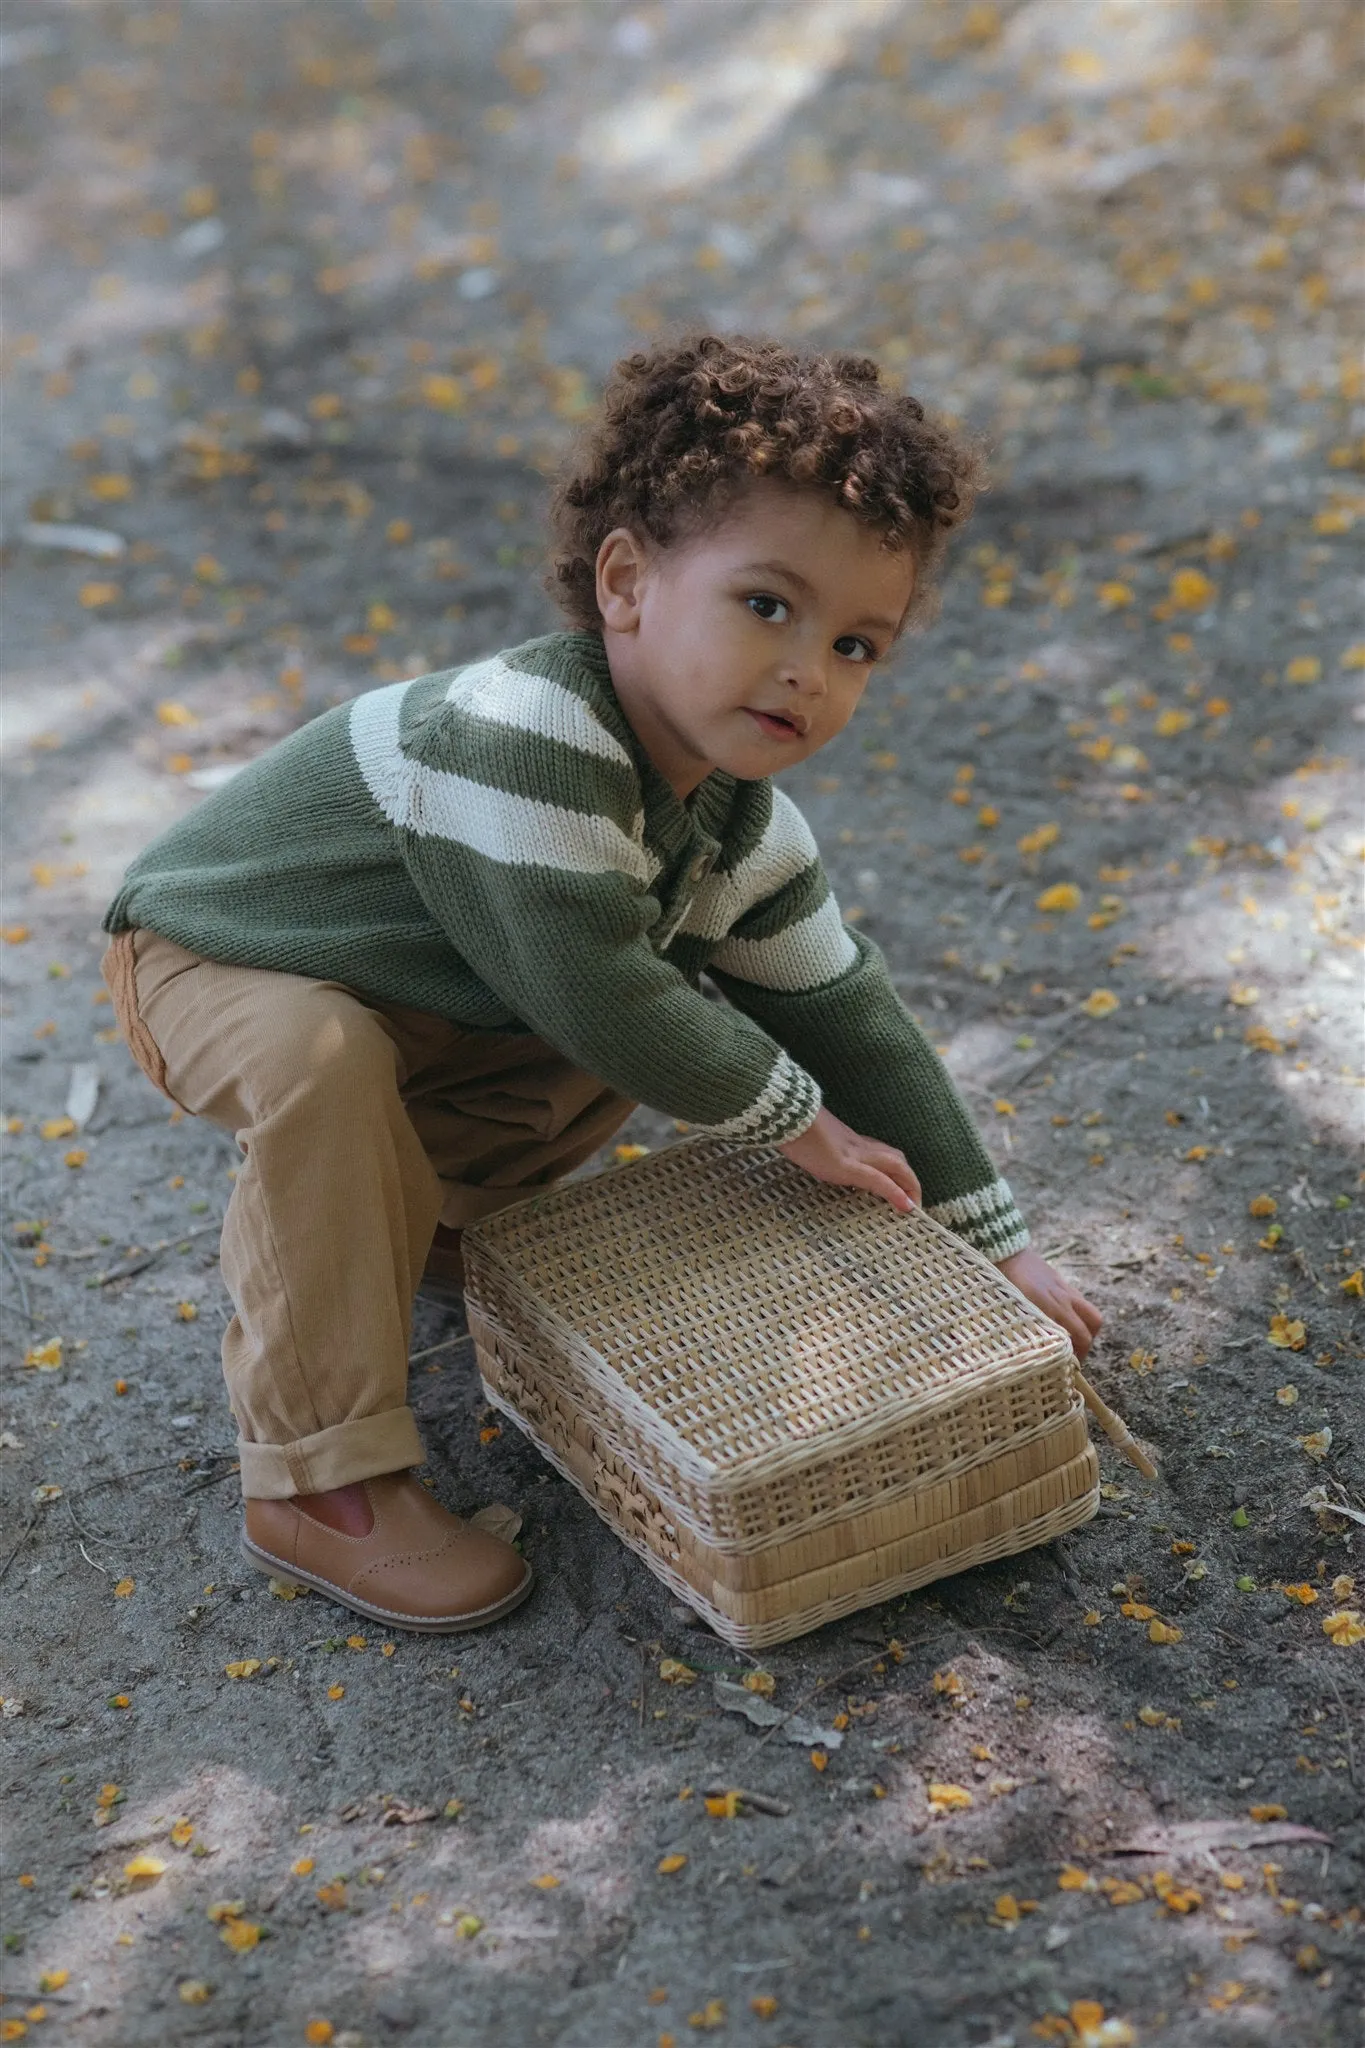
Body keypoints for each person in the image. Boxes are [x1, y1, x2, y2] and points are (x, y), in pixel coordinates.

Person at [100, 331, 1101, 1634]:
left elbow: (848, 1015)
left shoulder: (738, 826)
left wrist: (995, 1248)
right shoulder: (528, 729)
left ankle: (422, 1217)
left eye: (860, 644)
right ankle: (317, 1478)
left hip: (437, 988)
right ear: (626, 582)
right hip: (224, 953)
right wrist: (796, 1122)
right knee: (360, 1056)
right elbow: (597, 994)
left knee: (655, 996)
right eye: (767, 605)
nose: (810, 665)